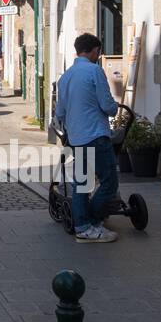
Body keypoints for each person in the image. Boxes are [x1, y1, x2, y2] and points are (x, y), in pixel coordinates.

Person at [55, 33, 121, 244]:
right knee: (109, 182)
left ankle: (82, 226)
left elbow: (60, 112)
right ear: (94, 50)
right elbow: (108, 106)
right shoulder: (94, 71)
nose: (98, 55)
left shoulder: (66, 76)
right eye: (98, 51)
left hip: (76, 137)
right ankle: (91, 222)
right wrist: (114, 107)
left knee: (81, 184)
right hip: (96, 135)